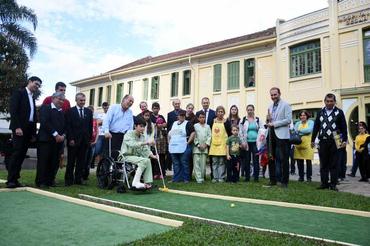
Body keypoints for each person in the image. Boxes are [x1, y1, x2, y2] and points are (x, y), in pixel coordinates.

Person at [6, 76, 42, 188]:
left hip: (28, 130)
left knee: (22, 155)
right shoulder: (19, 93)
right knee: (16, 154)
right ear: (30, 82)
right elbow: (14, 110)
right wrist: (17, 127)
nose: (37, 86)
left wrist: (33, 134)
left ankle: (16, 179)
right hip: (19, 129)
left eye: (39, 85)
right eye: (36, 84)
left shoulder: (32, 97)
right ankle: (11, 180)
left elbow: (32, 117)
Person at [311, 93, 348, 191]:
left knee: (334, 163)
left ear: (335, 102)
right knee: (323, 163)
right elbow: (316, 127)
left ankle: (333, 184)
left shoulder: (339, 112)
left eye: (331, 101)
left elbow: (344, 128)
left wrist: (344, 140)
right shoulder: (320, 112)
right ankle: (324, 183)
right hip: (322, 139)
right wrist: (312, 140)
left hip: (336, 139)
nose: (329, 103)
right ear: (324, 101)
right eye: (327, 101)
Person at [35, 92, 65, 188]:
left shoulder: (62, 112)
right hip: (45, 140)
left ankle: (50, 180)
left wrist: (63, 135)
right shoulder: (45, 108)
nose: (61, 101)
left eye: (62, 100)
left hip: (57, 142)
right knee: (43, 161)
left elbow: (65, 126)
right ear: (53, 98)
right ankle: (41, 181)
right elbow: (45, 122)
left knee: (54, 162)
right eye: (59, 99)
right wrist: (56, 134)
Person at [119, 117, 157, 189]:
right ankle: (135, 183)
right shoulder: (129, 133)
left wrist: (153, 156)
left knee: (148, 160)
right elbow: (133, 144)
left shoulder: (142, 137)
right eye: (141, 126)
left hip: (136, 157)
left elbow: (145, 150)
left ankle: (148, 183)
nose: (142, 128)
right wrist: (146, 142)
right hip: (126, 156)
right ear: (135, 126)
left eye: (143, 127)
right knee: (144, 160)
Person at [65, 93, 93, 186]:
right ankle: (69, 180)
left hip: (84, 141)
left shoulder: (88, 112)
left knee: (81, 161)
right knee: (71, 161)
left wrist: (89, 139)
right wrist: (71, 138)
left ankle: (78, 179)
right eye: (81, 100)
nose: (83, 102)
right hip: (73, 140)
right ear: (76, 100)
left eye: (84, 100)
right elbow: (68, 126)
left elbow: (90, 126)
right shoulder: (70, 111)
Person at [266, 87, 292, 188]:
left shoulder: (286, 105)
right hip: (271, 134)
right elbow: (269, 121)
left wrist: (275, 124)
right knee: (271, 157)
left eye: (275, 94)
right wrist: (268, 120)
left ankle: (284, 181)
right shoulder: (270, 106)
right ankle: (273, 180)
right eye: (271, 95)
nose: (273, 97)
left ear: (279, 94)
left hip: (282, 136)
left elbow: (288, 120)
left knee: (283, 159)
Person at [168, 110, 195, 183]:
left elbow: (193, 133)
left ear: (185, 116)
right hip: (174, 146)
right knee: (176, 163)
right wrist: (169, 142)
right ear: (178, 116)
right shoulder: (174, 124)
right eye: (180, 115)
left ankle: (186, 178)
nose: (182, 116)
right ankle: (176, 179)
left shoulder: (188, 123)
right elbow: (169, 133)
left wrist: (188, 142)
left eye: (183, 115)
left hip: (184, 146)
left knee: (184, 162)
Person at [239, 104, 263, 182]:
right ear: (247, 110)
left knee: (256, 160)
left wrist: (261, 140)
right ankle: (247, 177)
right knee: (247, 160)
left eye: (251, 109)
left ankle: (256, 177)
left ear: (253, 110)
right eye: (248, 110)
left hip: (256, 143)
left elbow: (262, 130)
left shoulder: (258, 120)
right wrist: (243, 142)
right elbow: (240, 132)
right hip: (246, 143)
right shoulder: (243, 120)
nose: (250, 111)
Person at [209, 106, 232, 183]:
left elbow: (229, 133)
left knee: (222, 162)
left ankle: (221, 177)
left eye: (222, 111)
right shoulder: (213, 121)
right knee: (215, 162)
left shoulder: (226, 122)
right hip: (214, 145)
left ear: (224, 113)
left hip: (223, 145)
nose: (220, 113)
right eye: (219, 111)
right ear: (216, 113)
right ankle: (215, 177)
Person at [294, 110, 314, 182]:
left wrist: (300, 131)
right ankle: (301, 177)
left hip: (308, 144)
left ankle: (309, 177)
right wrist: (303, 131)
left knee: (308, 161)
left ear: (307, 116)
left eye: (304, 115)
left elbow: (309, 130)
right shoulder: (297, 123)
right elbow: (295, 131)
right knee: (299, 161)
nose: (302, 117)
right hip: (298, 145)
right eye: (301, 115)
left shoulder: (311, 122)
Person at [193, 112, 211, 183]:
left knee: (203, 165)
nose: (202, 118)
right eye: (200, 117)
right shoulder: (195, 126)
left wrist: (206, 144)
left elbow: (209, 136)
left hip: (205, 148)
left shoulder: (208, 126)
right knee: (196, 164)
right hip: (196, 148)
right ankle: (198, 178)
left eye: (203, 117)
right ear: (198, 118)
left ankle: (202, 177)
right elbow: (194, 136)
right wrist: (198, 145)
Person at [150, 102, 167, 178]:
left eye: (157, 108)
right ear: (152, 109)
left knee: (162, 156)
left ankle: (162, 173)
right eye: (154, 108)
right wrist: (156, 125)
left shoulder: (161, 116)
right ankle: (155, 173)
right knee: (154, 156)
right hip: (154, 138)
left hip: (162, 139)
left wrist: (163, 124)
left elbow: (165, 124)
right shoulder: (150, 117)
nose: (156, 110)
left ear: (159, 109)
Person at [84, 105, 99, 180]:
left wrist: (96, 141)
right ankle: (81, 175)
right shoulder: (85, 119)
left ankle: (86, 175)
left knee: (89, 160)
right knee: (84, 159)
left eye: (92, 111)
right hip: (86, 143)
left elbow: (97, 131)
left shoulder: (95, 120)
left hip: (93, 143)